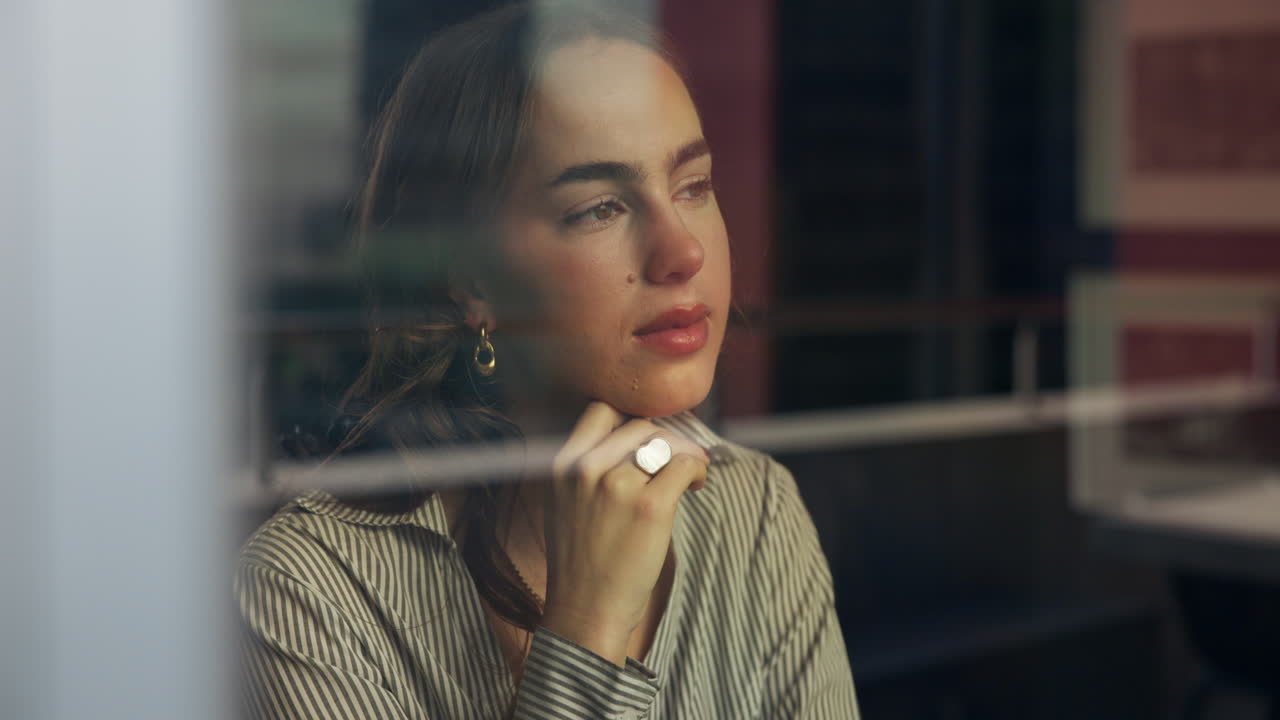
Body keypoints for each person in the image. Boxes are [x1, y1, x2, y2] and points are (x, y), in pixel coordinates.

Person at [235, 2, 861, 718]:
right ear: (467, 280)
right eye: (599, 207)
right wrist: (588, 631)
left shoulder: (753, 510)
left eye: (693, 186)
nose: (683, 252)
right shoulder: (308, 592)